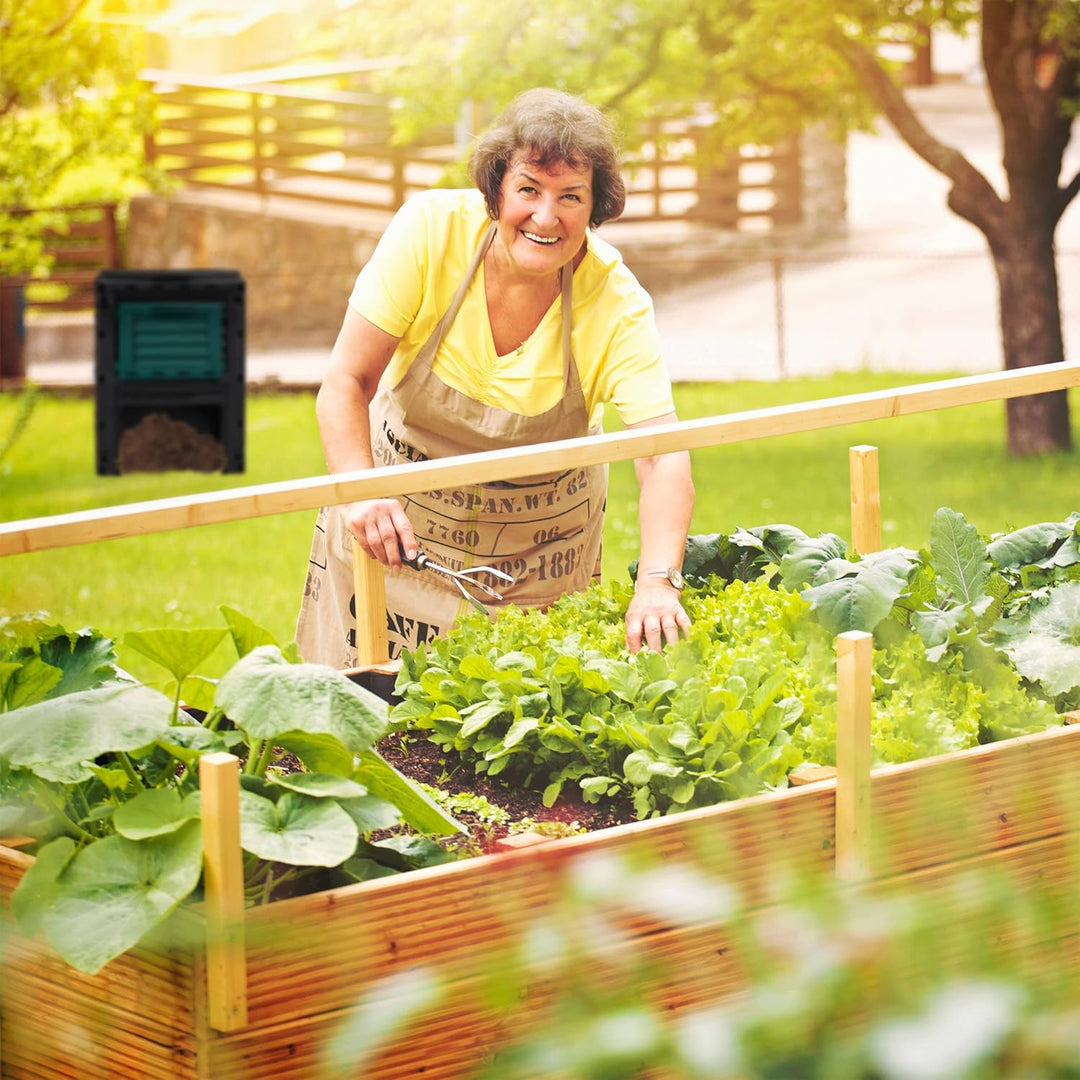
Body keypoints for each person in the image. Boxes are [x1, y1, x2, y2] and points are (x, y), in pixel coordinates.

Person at [296, 87, 694, 667]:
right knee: (363, 731)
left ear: (596, 206)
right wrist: (363, 491)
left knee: (511, 741)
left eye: (571, 197)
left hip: (535, 571)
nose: (545, 215)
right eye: (528, 188)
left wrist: (658, 581)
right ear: (496, 187)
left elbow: (660, 453)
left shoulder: (616, 299)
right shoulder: (431, 232)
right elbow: (347, 381)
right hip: (394, 536)